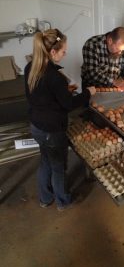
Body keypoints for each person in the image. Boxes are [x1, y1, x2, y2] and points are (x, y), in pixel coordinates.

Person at [24, 28, 96, 211]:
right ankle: (63, 201)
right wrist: (88, 93)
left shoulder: (30, 67)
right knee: (58, 167)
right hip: (51, 130)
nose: (65, 54)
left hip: (36, 126)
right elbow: (68, 105)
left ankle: (45, 198)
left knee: (45, 161)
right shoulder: (54, 77)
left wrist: (64, 92)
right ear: (53, 52)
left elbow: (37, 96)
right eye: (63, 51)